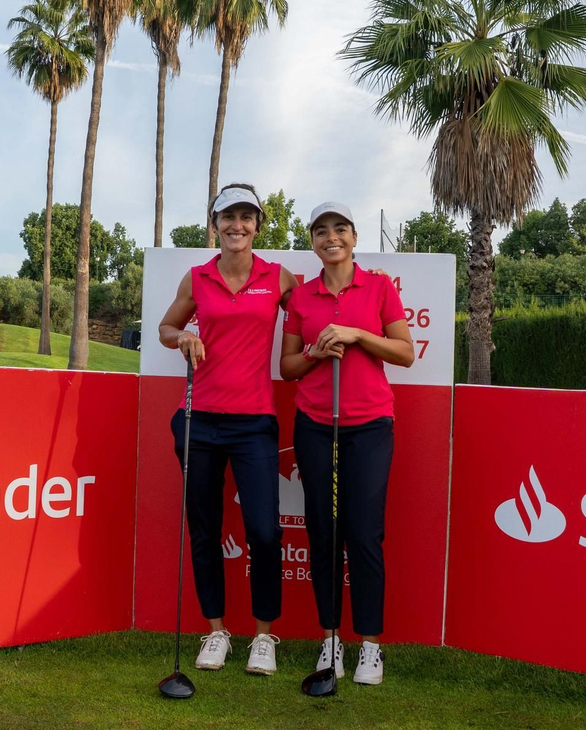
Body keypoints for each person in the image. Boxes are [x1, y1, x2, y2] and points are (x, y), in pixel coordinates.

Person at [158, 183, 300, 676]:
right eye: (228, 217)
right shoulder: (197, 278)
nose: (237, 225)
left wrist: (372, 284)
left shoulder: (277, 277)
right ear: (215, 224)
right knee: (204, 529)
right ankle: (216, 630)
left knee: (264, 531)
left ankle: (263, 636)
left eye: (246, 217)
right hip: (198, 420)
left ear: (257, 225)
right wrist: (183, 335)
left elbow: (319, 305)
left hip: (254, 423)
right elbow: (165, 328)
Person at [278, 201, 415, 687]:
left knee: (363, 533)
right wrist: (317, 352)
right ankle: (331, 639)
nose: (331, 237)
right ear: (313, 242)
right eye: (321, 230)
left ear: (354, 237)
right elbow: (287, 368)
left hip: (370, 425)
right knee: (323, 532)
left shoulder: (379, 287)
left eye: (340, 229)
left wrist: (357, 334)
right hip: (316, 425)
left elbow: (405, 353)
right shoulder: (302, 297)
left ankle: (370, 644)